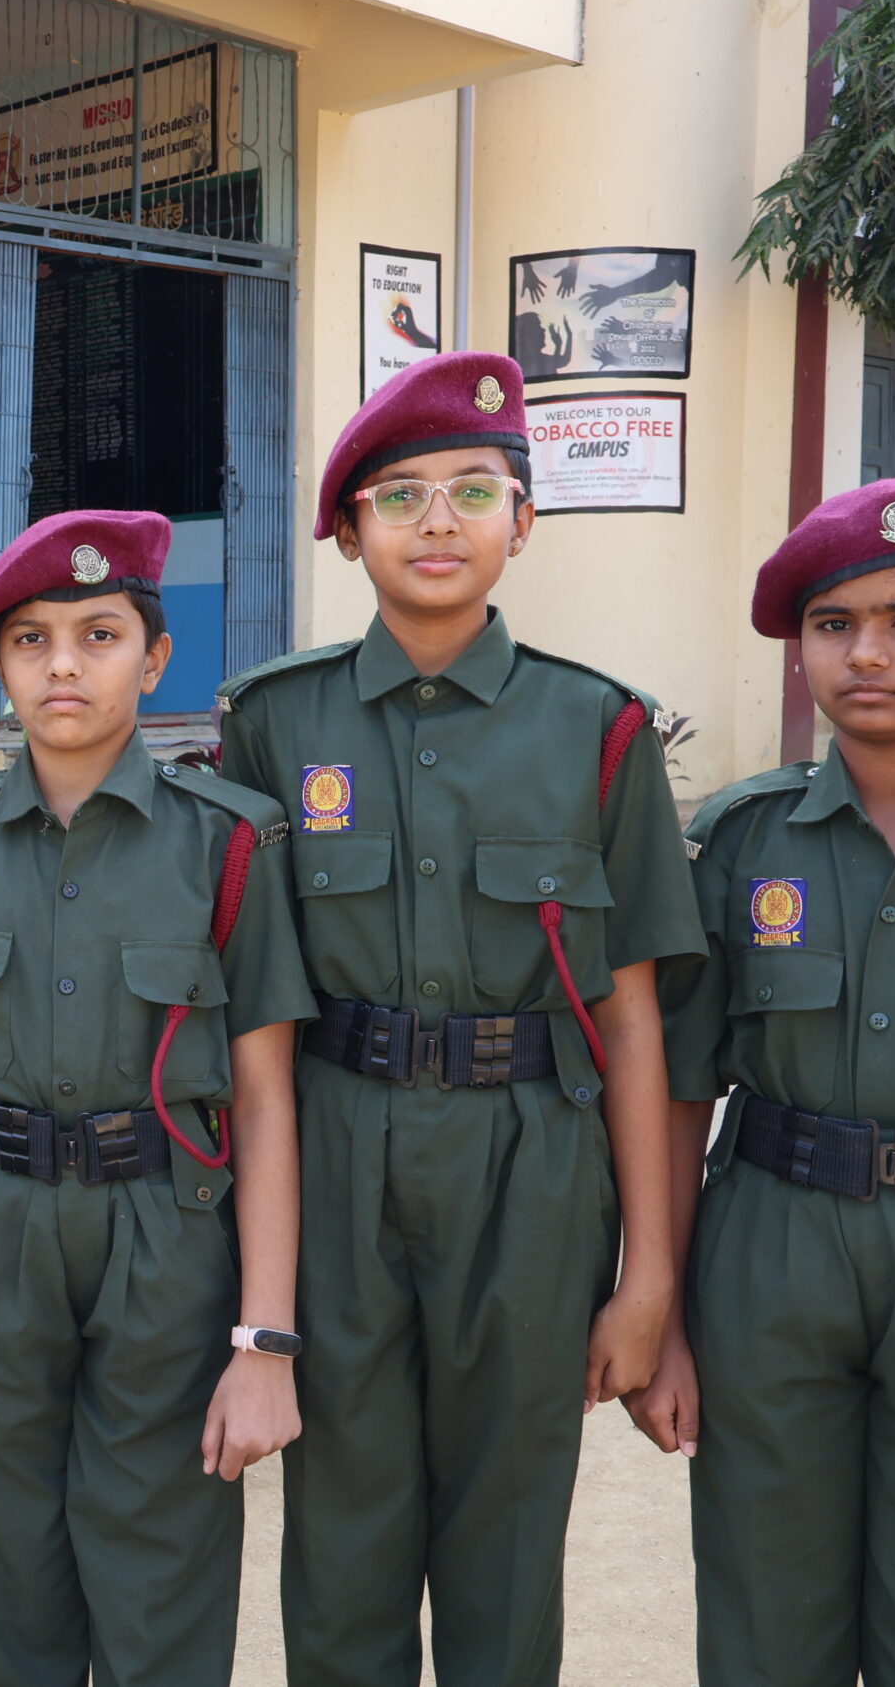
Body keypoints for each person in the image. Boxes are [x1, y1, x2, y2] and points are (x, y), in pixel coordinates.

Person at [214, 350, 703, 1687]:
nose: (439, 521)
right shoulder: (273, 722)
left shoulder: (599, 727)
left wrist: (647, 1275)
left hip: (529, 1163)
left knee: (509, 1528)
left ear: (523, 521)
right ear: (348, 529)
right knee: (342, 1533)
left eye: (475, 491)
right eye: (402, 495)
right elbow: (249, 1012)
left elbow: (633, 1015)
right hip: (338, 1148)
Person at [633, 470, 895, 1686]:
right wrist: (662, 1318)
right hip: (769, 1247)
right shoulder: (735, 842)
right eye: (833, 624)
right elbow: (677, 1090)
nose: (865, 653)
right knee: (766, 1620)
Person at [0, 509, 314, 1685]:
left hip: (164, 1241)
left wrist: (263, 1341)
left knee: (161, 1577)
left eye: (99, 634)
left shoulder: (227, 844)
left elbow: (263, 1100)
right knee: (6, 1580)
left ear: (155, 660)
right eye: (30, 639)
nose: (62, 665)